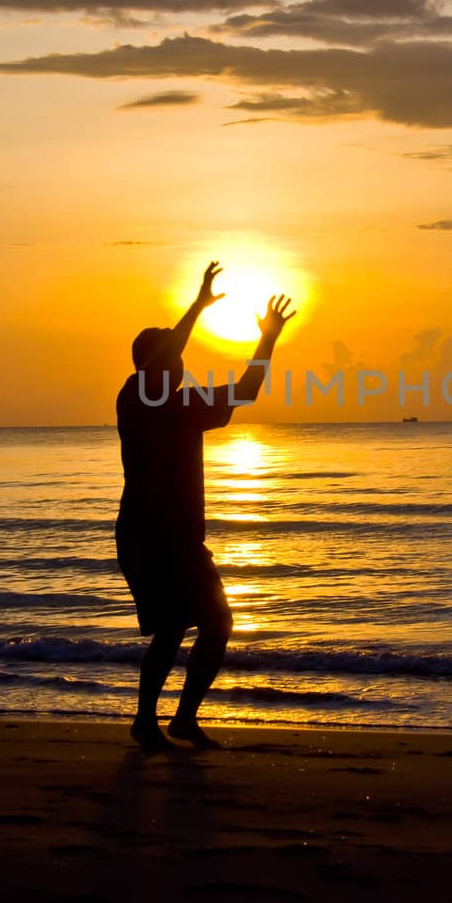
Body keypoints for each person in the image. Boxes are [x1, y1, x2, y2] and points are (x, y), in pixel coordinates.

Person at [114, 261, 295, 750]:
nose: (180, 362)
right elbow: (166, 352)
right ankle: (146, 723)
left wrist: (268, 338)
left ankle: (182, 720)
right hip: (146, 538)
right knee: (173, 627)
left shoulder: (188, 404)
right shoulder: (136, 398)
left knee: (217, 624)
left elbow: (248, 390)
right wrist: (196, 305)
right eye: (169, 356)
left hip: (183, 542)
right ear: (152, 364)